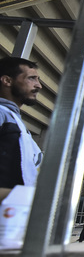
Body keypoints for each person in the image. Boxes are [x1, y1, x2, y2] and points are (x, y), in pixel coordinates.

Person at [0, 57, 43, 203]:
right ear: (7, 81)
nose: (39, 86)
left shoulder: (15, 121)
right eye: (31, 78)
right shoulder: (2, 114)